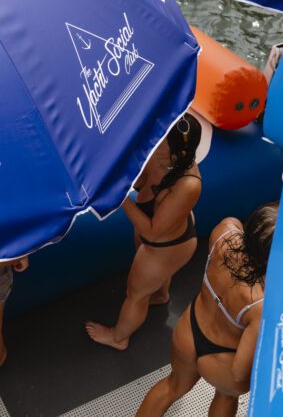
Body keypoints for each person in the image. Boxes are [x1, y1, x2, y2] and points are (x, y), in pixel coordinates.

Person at [137, 202, 278, 416]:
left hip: (190, 330)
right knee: (227, 395)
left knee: (171, 387)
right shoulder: (260, 304)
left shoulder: (225, 231)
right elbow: (240, 371)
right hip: (223, 358)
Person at [86, 114, 202, 350]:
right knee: (154, 281)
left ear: (176, 155)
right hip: (159, 233)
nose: (154, 140)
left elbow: (151, 232)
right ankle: (160, 295)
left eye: (160, 141)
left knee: (135, 294)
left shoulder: (188, 185)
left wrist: (120, 197)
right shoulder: (163, 152)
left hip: (166, 246)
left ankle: (119, 338)